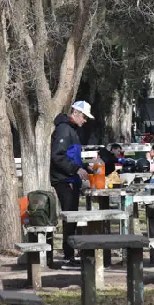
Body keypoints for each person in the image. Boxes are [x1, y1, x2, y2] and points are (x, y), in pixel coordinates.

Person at [50, 101, 94, 267]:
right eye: (84, 116)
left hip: (72, 179)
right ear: (75, 113)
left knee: (73, 217)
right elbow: (58, 156)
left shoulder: (73, 130)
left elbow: (72, 156)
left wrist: (85, 166)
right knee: (69, 218)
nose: (85, 120)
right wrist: (75, 169)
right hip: (64, 180)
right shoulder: (63, 129)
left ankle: (71, 255)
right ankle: (68, 257)